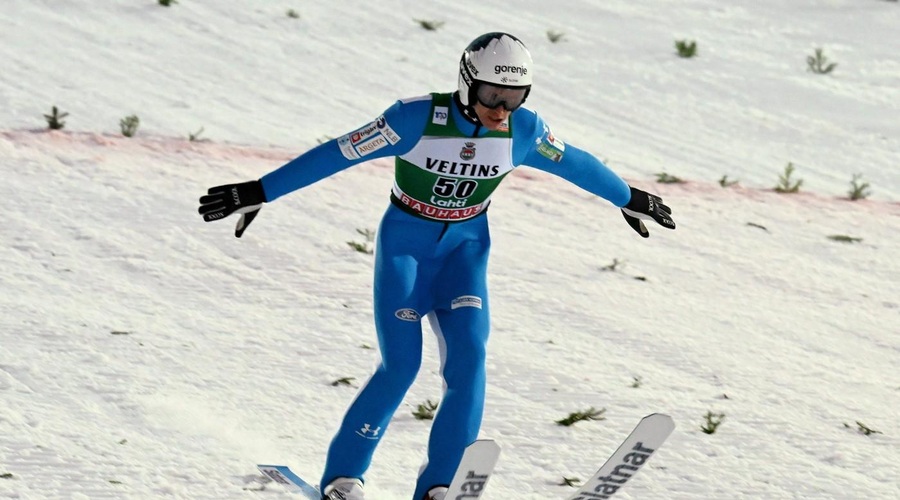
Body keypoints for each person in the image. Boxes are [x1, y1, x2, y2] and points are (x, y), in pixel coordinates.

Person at [198, 32, 675, 500]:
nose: (501, 109)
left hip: (465, 253)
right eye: (492, 95)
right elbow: (338, 152)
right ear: (467, 83)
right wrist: (261, 190)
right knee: (402, 365)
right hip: (407, 247)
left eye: (515, 97)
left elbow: (576, 163)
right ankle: (344, 480)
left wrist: (629, 199)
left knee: (470, 362)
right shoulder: (414, 118)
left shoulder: (523, 129)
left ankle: (440, 487)